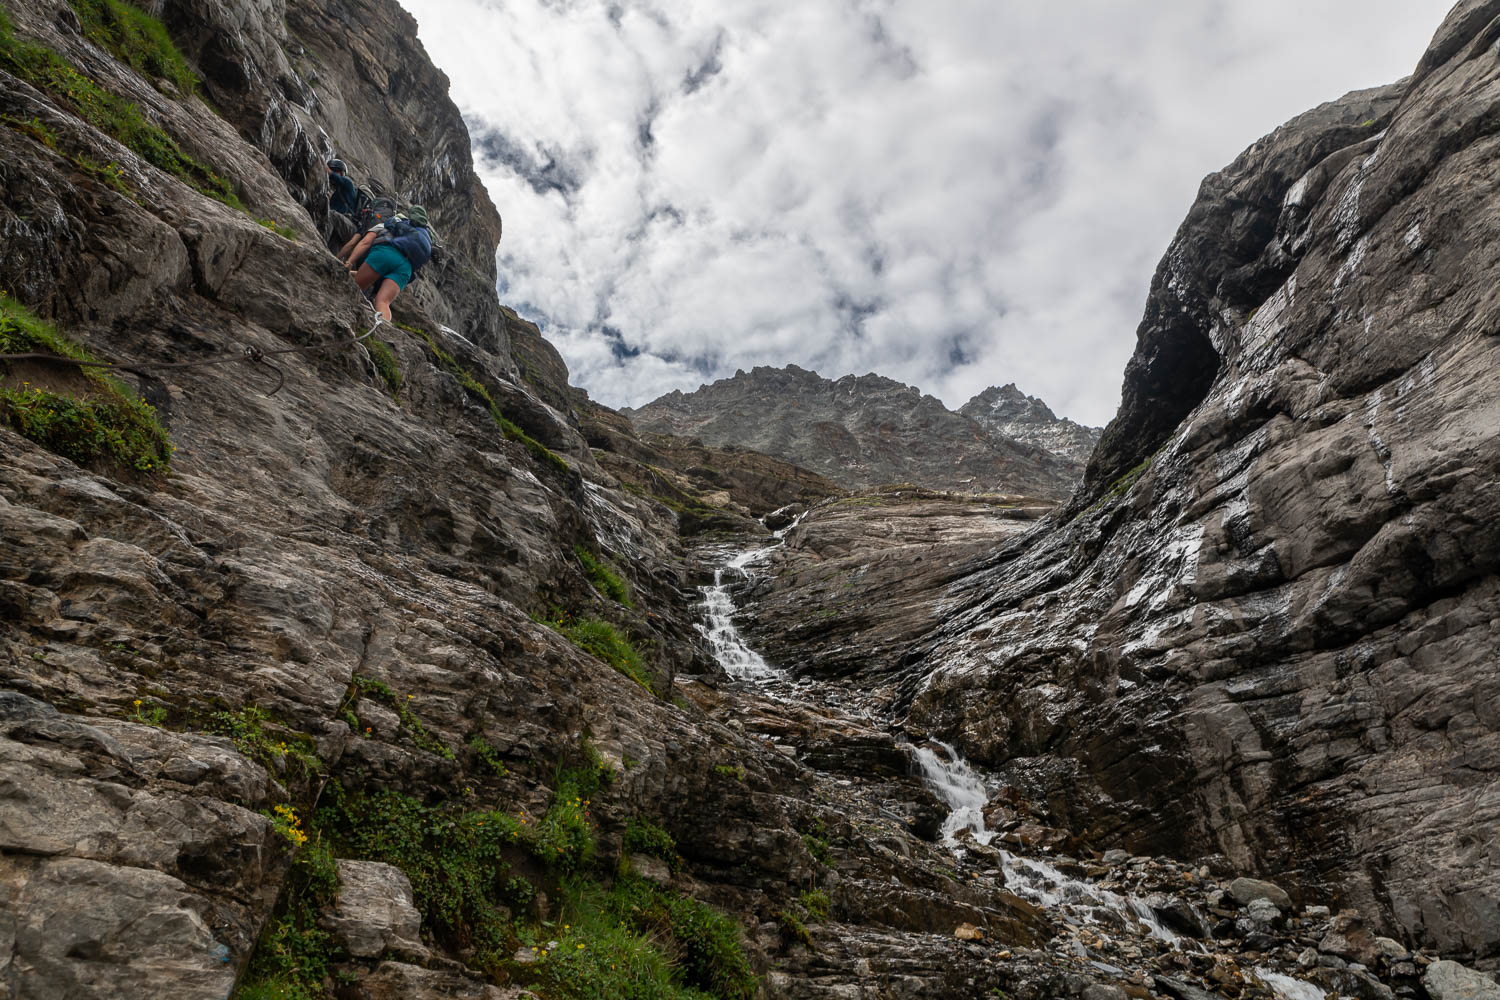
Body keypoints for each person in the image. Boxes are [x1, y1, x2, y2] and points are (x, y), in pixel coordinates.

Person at [351, 205, 433, 320]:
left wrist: (349, 262)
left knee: (355, 287)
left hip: (388, 253)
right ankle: (383, 330)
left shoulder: (404, 221)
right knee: (382, 302)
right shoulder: (427, 236)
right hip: (406, 268)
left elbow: (387, 226)